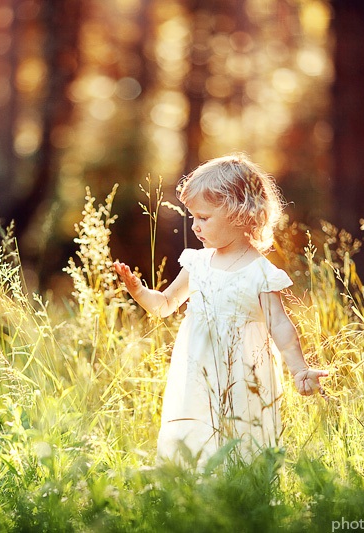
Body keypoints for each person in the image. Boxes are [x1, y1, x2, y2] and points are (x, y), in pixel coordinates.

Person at [113, 153, 328, 468]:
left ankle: (239, 496)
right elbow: (165, 305)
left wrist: (298, 369)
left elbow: (280, 326)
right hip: (197, 373)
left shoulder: (260, 273)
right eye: (193, 218)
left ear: (240, 213)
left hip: (245, 377)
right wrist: (138, 290)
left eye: (204, 218)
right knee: (196, 432)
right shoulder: (198, 263)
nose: (196, 227)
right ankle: (192, 494)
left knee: (239, 439)